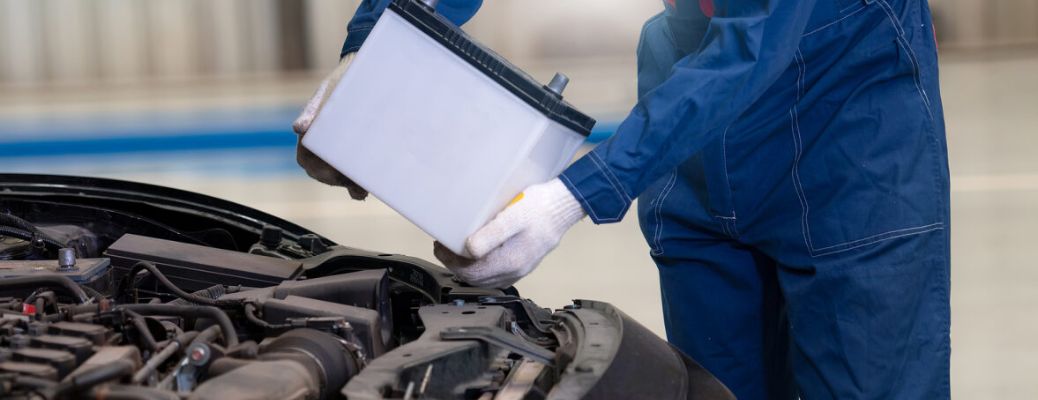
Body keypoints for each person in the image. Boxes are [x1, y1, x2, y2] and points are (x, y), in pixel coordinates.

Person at [293, 0, 950, 398]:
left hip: (846, 123)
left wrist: (571, 197)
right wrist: (375, 48)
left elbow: (759, 40)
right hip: (693, 113)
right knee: (715, 391)